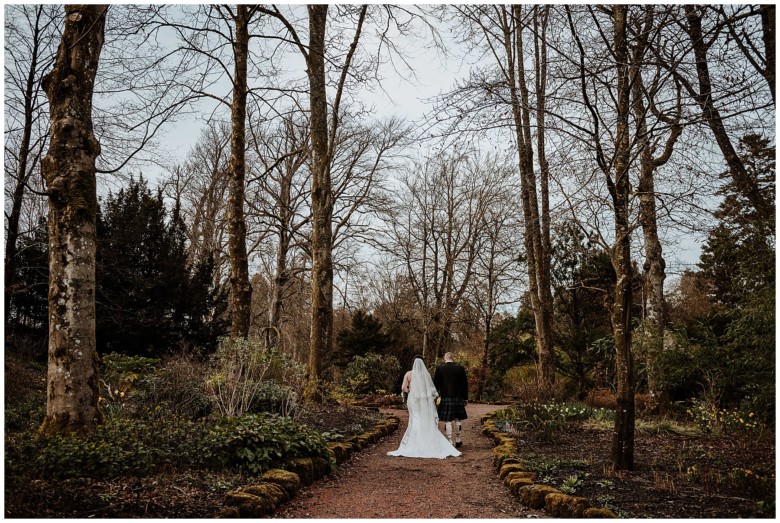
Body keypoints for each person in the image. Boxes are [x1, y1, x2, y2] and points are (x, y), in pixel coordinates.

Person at [387, 356, 461, 459]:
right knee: (424, 418)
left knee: (415, 418)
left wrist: (411, 391)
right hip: (424, 400)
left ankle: (415, 442)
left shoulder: (409, 374)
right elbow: (430, 388)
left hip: (413, 400)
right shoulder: (426, 374)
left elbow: (403, 388)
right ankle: (428, 441)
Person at [433, 352, 469, 448]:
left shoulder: (440, 368)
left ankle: (449, 441)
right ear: (453, 358)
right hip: (458, 397)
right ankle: (458, 439)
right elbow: (464, 384)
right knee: (458, 418)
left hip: (446, 397)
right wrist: (465, 398)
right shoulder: (460, 368)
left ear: (445, 358)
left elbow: (435, 384)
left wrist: (436, 396)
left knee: (448, 420)